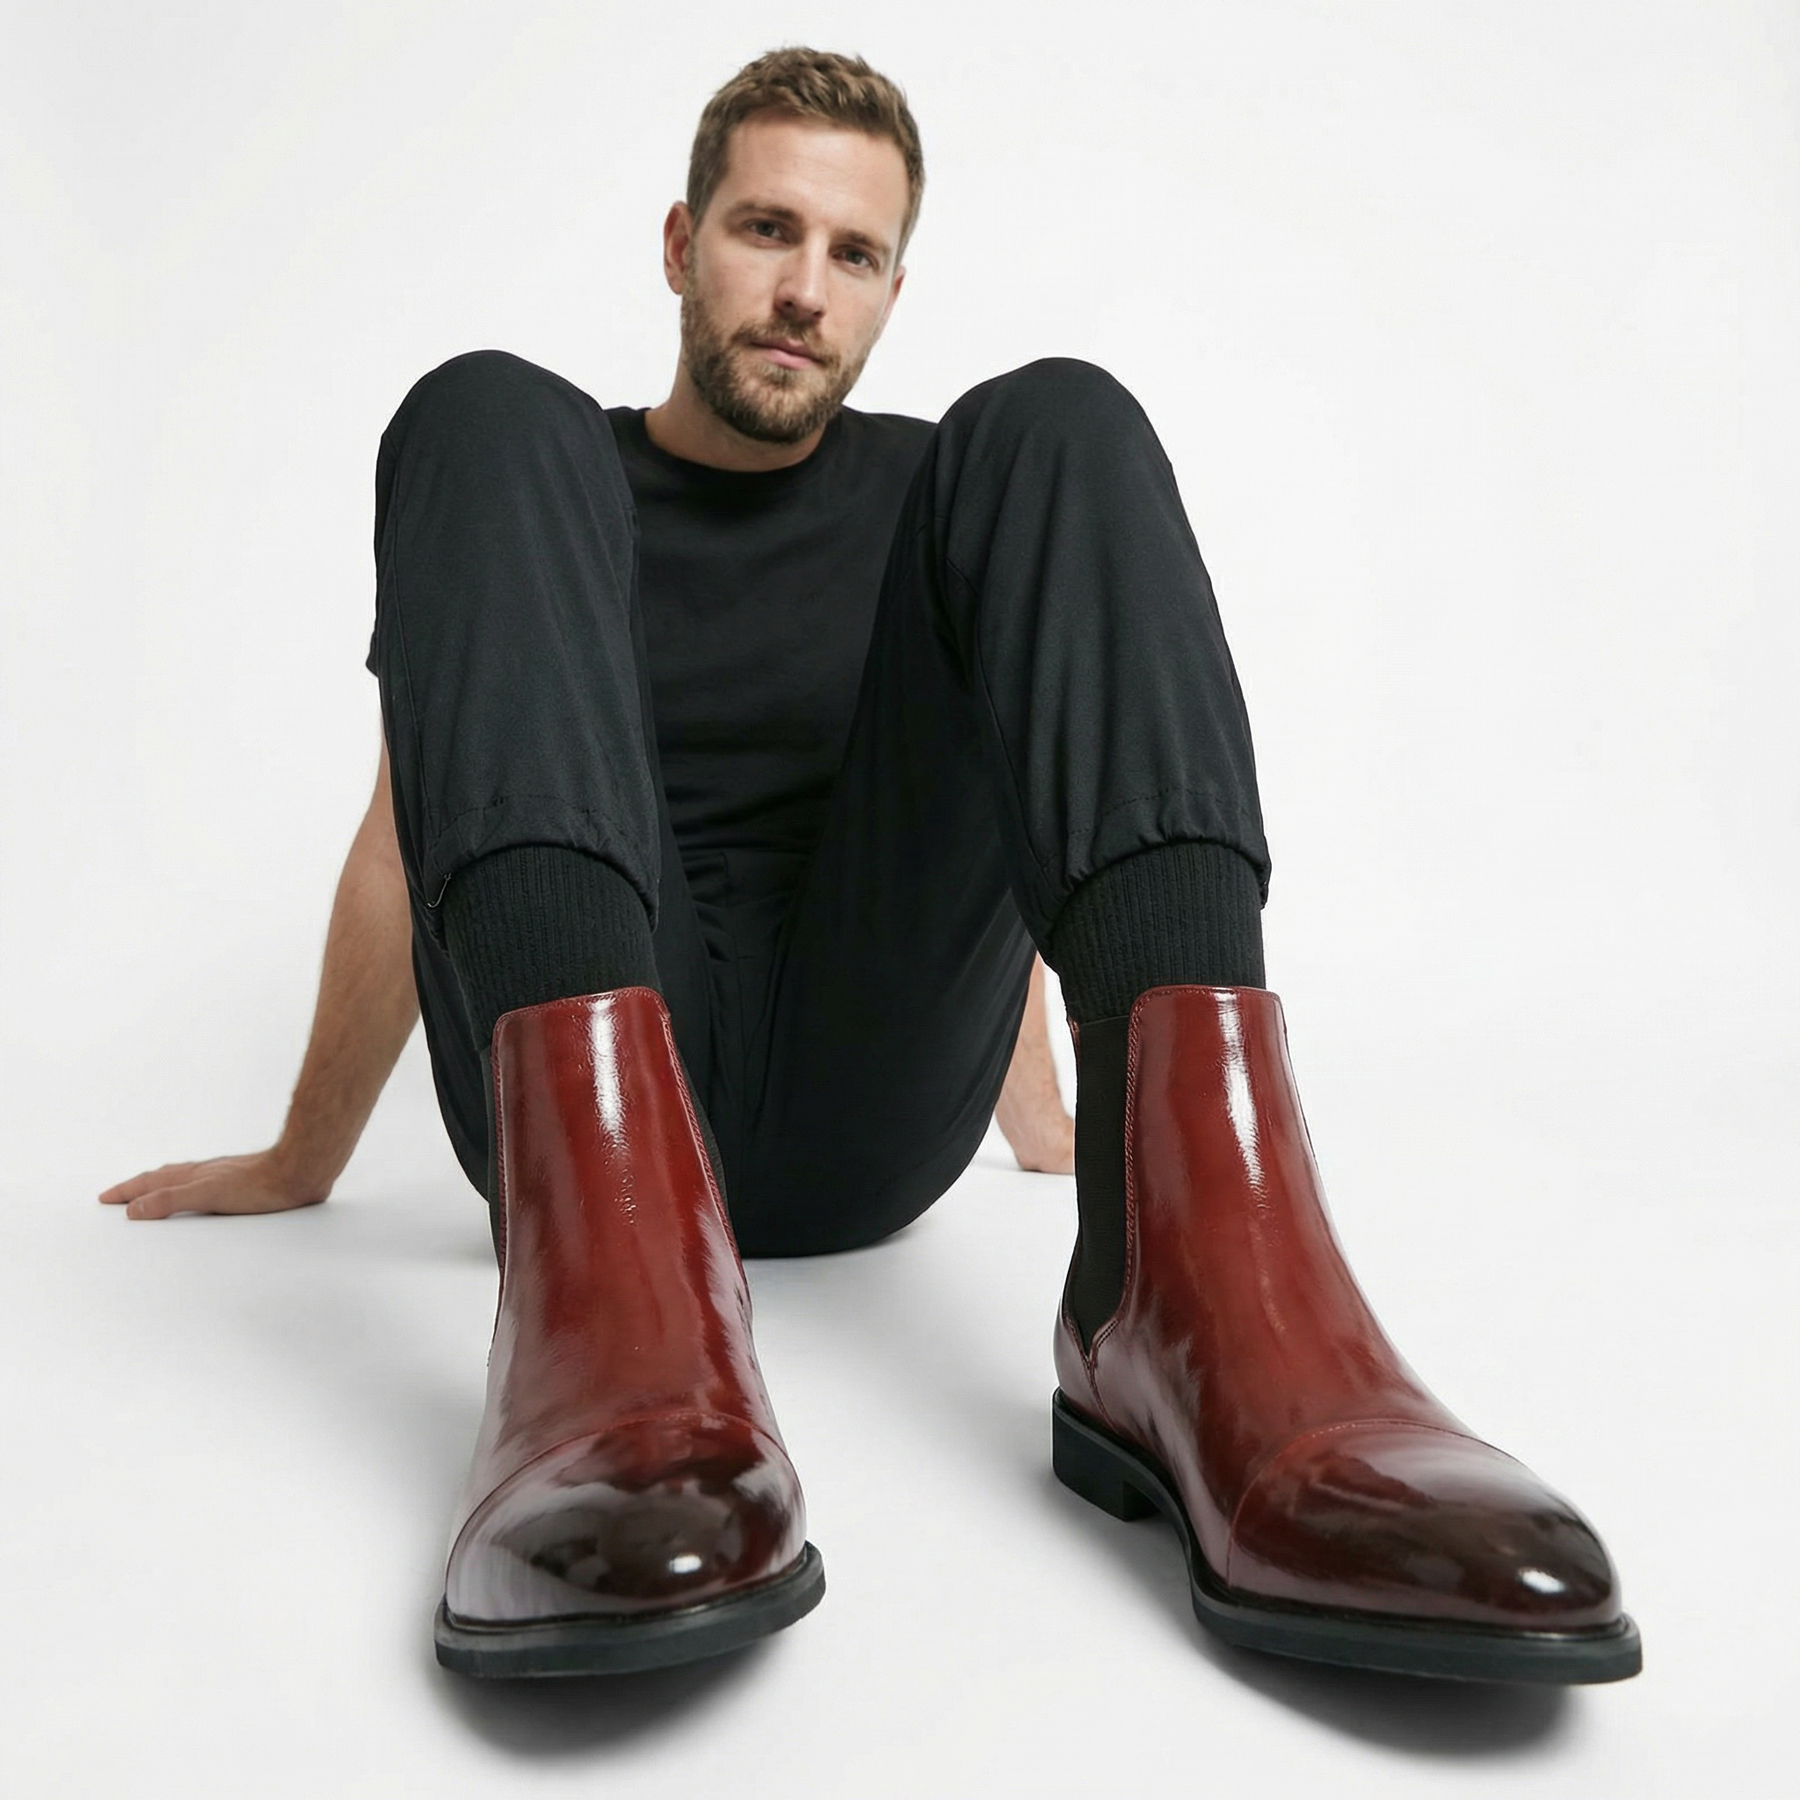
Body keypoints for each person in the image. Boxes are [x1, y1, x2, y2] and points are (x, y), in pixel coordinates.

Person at [99, 46, 1639, 1687]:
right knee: (479, 407)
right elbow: (407, 833)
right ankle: (608, 1361)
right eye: (768, 230)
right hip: (595, 1113)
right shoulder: (549, 491)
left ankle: (1206, 1305)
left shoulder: (940, 498)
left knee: (1056, 421)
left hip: (867, 1100)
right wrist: (304, 1153)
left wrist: (1066, 1117)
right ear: (682, 242)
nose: (804, 291)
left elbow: (1015, 820)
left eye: (854, 254)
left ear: (894, 289)